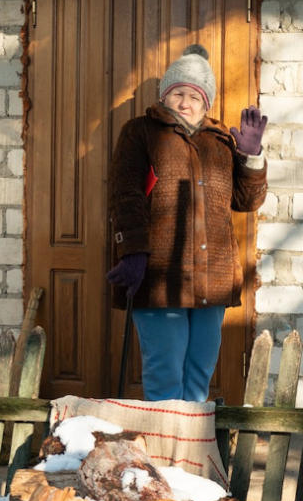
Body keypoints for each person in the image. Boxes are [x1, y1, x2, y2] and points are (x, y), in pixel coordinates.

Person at [105, 44, 268, 402]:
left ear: (205, 101)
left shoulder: (221, 140)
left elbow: (246, 201)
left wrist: (251, 157)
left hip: (213, 275)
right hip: (161, 275)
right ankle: (164, 452)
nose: (184, 102)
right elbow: (126, 195)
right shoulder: (140, 132)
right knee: (165, 374)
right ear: (164, 95)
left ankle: (190, 453)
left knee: (198, 375)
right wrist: (133, 254)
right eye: (177, 93)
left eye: (193, 95)